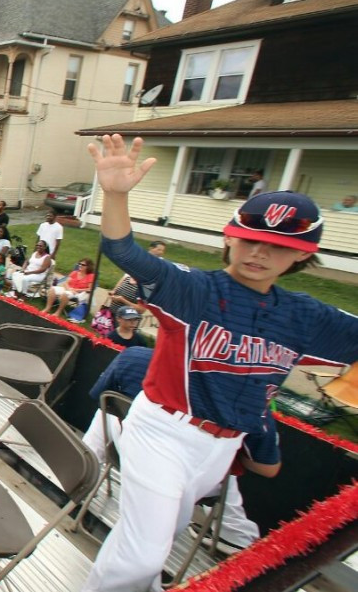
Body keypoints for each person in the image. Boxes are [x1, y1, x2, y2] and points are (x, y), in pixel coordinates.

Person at [81, 134, 358, 592]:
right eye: (249, 239)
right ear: (230, 238)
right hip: (164, 430)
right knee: (145, 550)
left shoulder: (305, 316)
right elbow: (125, 253)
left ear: (302, 255)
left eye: (277, 246)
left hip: (222, 449)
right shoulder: (195, 289)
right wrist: (114, 195)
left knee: (159, 541)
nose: (259, 253)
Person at [81, 347, 272, 558]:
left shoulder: (133, 356)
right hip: (177, 478)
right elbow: (267, 469)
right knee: (222, 461)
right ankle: (235, 536)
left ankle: (82, 473)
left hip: (123, 452)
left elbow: (99, 396)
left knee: (110, 409)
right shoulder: (250, 398)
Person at [108, 240, 166, 319]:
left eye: (162, 250)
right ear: (151, 248)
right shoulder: (141, 258)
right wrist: (115, 289)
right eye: (159, 249)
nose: (161, 252)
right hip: (127, 287)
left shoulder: (161, 264)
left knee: (131, 313)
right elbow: (126, 276)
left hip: (140, 290)